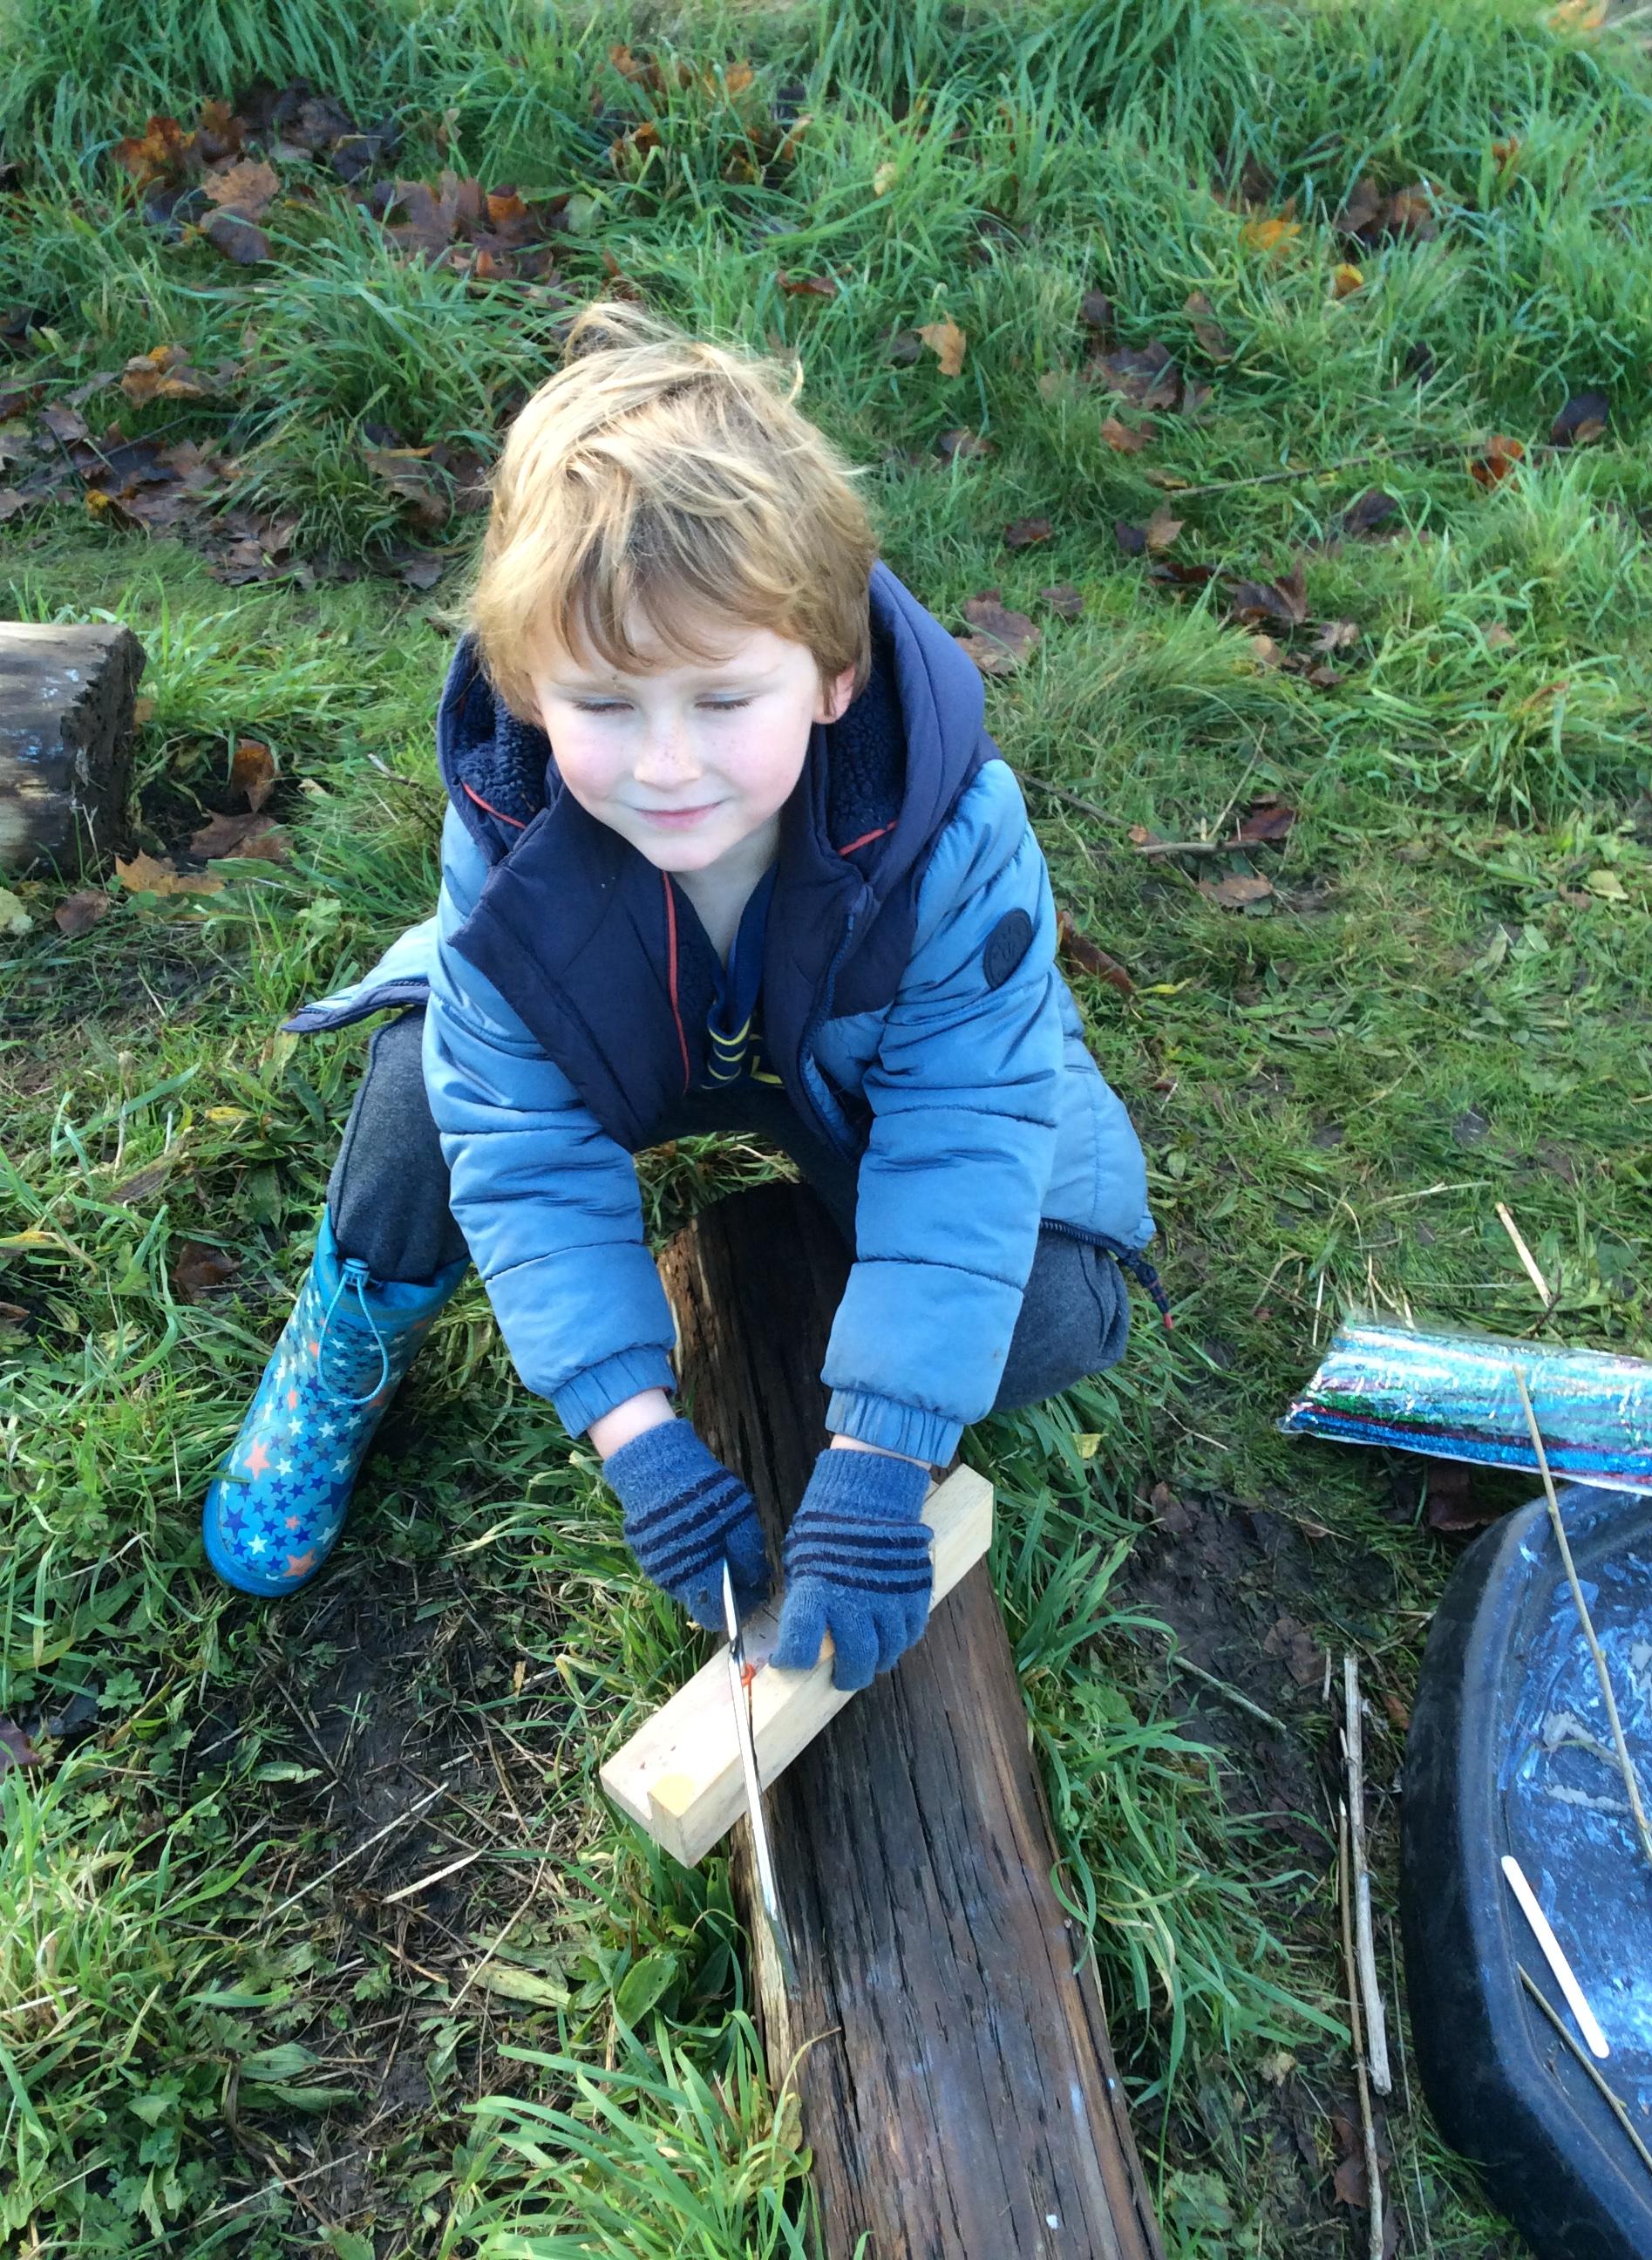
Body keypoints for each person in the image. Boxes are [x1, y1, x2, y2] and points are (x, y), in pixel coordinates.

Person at [201, 299, 1163, 1692]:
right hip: (626, 1048)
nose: (664, 768)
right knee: (431, 1087)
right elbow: (524, 1148)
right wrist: (636, 1432)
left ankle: (857, 1328)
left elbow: (967, 1129)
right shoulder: (509, 825)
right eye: (603, 707)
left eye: (722, 702)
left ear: (832, 676)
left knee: (1059, 1302)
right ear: (527, 689)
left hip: (850, 1079)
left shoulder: (951, 834)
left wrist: (883, 1456)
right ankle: (351, 1328)